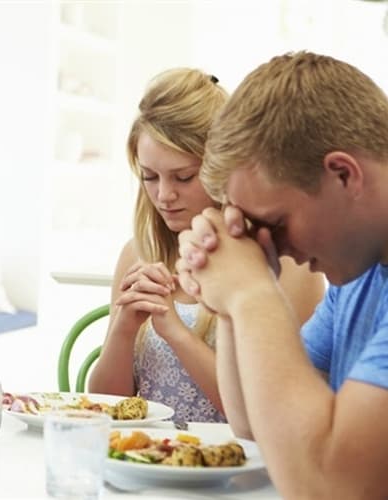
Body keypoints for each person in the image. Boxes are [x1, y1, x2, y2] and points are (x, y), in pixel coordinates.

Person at [176, 51, 388, 499]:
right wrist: (231, 302)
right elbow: (254, 423)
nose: (275, 245)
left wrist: (253, 294)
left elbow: (330, 487)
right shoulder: (360, 277)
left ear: (343, 175)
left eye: (273, 223)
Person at [87, 68, 324, 423]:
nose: (164, 196)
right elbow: (106, 406)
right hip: (148, 460)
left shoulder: (287, 264)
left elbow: (266, 417)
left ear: (222, 170)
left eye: (183, 177)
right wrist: (123, 330)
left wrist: (176, 332)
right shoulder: (138, 253)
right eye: (149, 177)